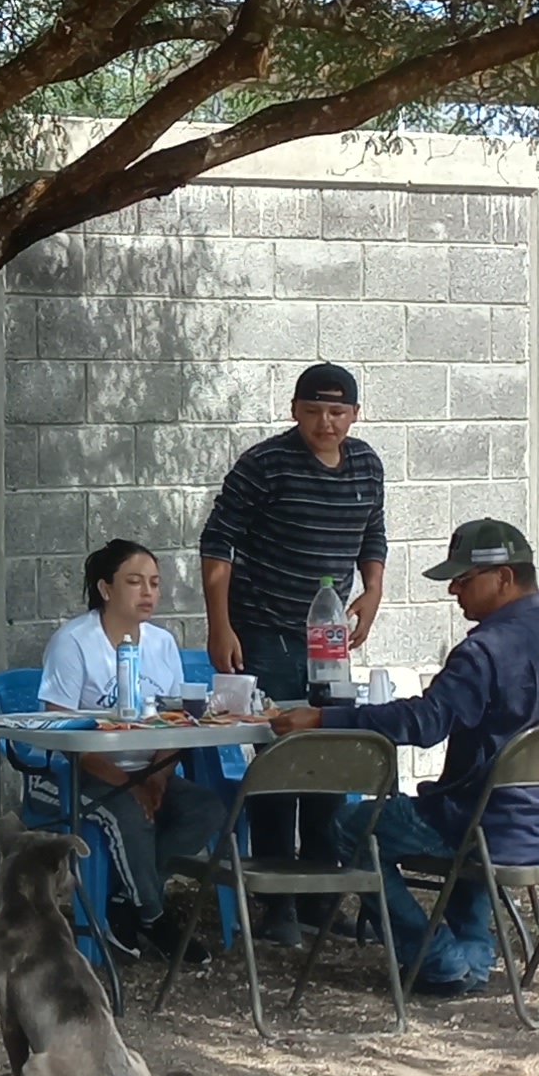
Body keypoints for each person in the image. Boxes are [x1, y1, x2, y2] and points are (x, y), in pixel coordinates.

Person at [268, 517, 539, 993]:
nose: (454, 590)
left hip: (489, 827)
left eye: (464, 579)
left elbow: (425, 723)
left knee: (350, 826)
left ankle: (435, 958)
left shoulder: (488, 648)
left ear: (503, 577)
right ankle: (472, 959)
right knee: (467, 809)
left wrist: (323, 718)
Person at [200, 362, 388, 879]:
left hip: (328, 637)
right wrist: (220, 625)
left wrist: (372, 591)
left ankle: (321, 883)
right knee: (279, 751)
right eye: (312, 411)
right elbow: (218, 545)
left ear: (354, 414)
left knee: (327, 749)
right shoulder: (265, 464)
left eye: (336, 412)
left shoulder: (366, 465)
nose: (325, 422)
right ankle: (275, 887)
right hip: (264, 625)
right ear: (293, 411)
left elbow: (372, 531)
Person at [38, 538, 232, 928]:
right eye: (134, 581)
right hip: (77, 774)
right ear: (105, 589)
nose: (147, 592)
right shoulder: (73, 642)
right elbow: (60, 733)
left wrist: (156, 779)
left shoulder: (162, 643)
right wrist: (128, 784)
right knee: (127, 812)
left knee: (206, 807)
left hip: (147, 770)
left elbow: (173, 723)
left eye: (155, 583)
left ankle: (122, 897)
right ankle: (152, 917)